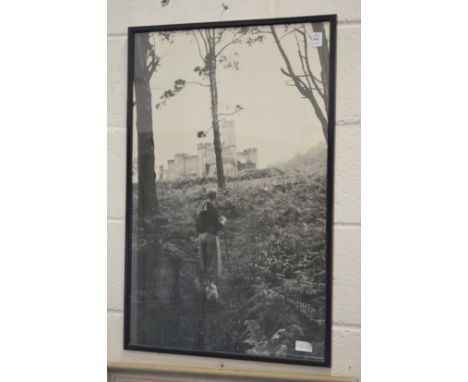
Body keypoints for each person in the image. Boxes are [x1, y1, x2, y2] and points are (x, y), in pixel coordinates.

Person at [196, 187, 227, 302]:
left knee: (204, 261)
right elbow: (217, 226)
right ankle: (211, 293)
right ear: (215, 196)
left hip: (201, 236)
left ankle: (203, 290)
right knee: (212, 262)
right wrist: (223, 222)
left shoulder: (202, 207)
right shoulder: (211, 209)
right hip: (210, 237)